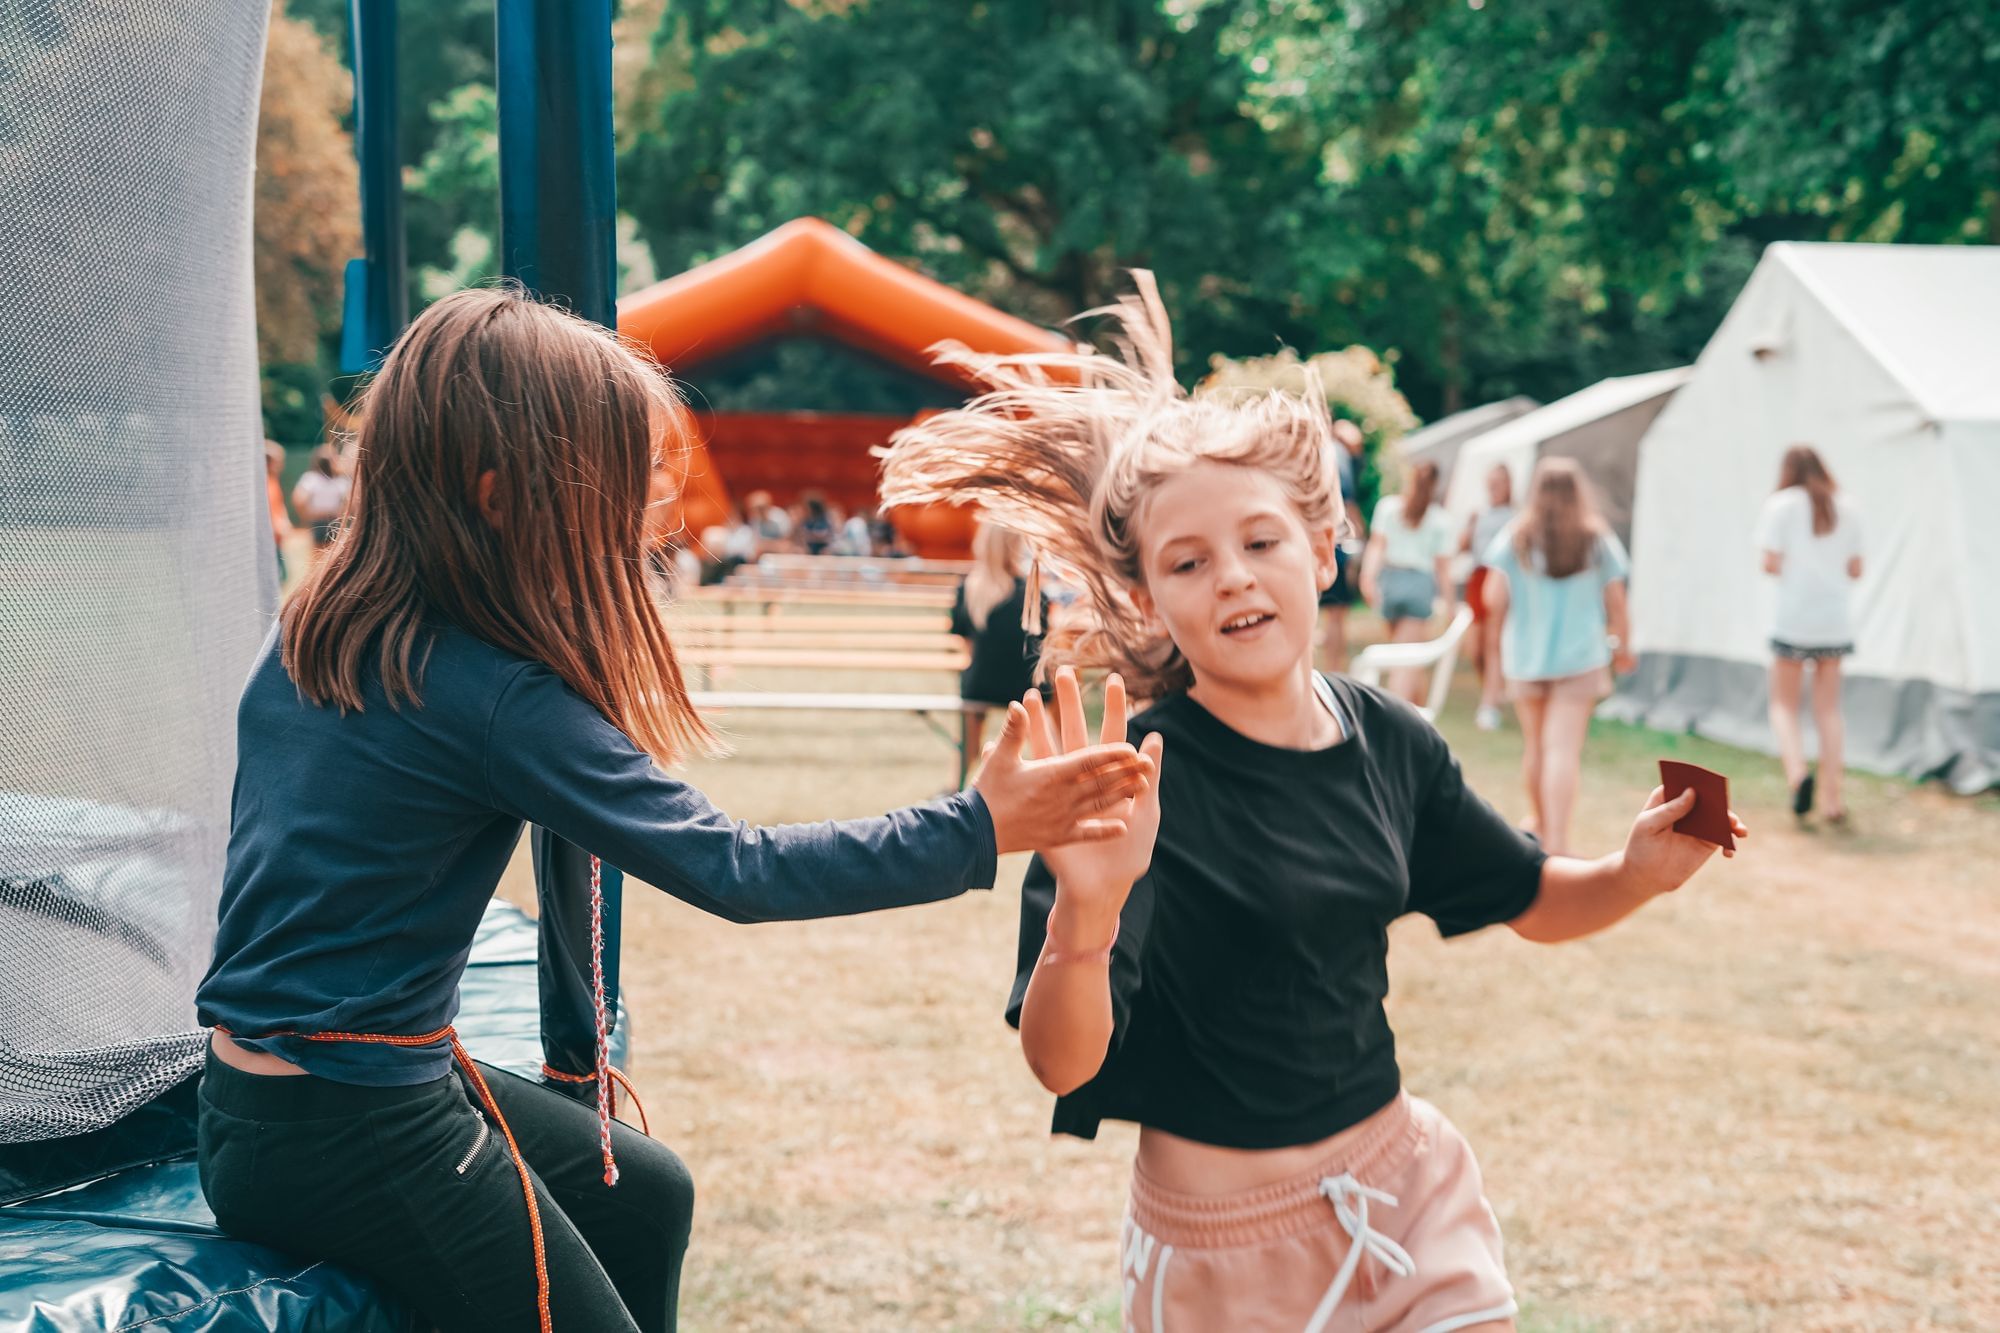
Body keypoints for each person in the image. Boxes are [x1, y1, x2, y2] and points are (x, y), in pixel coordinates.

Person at [193, 287, 1155, 1333]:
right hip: (353, 1124)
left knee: (645, 1193)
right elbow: (736, 870)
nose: (653, 515)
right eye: (620, 485)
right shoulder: (492, 697)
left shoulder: (324, 623)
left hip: (253, 1106)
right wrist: (977, 826)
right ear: (498, 496)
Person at [879, 273, 1744, 1333]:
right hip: (1222, 1261)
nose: (1233, 578)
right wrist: (1085, 912)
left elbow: (1523, 891)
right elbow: (1062, 1060)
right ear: (1149, 598)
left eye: (1260, 542)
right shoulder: (1124, 781)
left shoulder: (1390, 738)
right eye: (1188, 562)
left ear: (1323, 548)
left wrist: (1629, 875)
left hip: (1400, 1192)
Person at [1479, 459, 1632, 856]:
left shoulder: (1517, 537)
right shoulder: (1595, 537)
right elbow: (1617, 601)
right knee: (1562, 750)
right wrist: (1625, 647)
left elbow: (1492, 598)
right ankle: (1559, 843)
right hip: (1580, 660)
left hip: (1528, 659)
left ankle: (1543, 826)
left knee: (1536, 747)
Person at [1756, 445, 1863, 824]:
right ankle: (1833, 799)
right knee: (1829, 710)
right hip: (1834, 620)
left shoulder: (1781, 505)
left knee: (1783, 705)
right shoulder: (1847, 506)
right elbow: (1855, 569)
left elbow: (1770, 563)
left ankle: (1798, 775)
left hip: (1793, 619)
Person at [950, 521, 1045, 776]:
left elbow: (966, 646)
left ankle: (958, 776)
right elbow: (1042, 645)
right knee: (1049, 685)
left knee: (971, 685)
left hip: (980, 686)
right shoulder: (1032, 593)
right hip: (1026, 687)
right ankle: (1049, 757)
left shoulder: (969, 590)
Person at [1359, 458, 1456, 704]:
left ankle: (1419, 715)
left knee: (1408, 656)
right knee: (1405, 659)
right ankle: (1396, 715)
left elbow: (1377, 547)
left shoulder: (1388, 508)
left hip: (1390, 581)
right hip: (1418, 585)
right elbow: (1443, 569)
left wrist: (1367, 577)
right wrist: (1451, 604)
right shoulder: (1440, 520)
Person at [1461, 464, 1517, 730]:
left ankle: (1489, 704)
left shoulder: (1515, 517)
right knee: (1476, 647)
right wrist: (1470, 526)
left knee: (1494, 644)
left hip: (1500, 578)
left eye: (1499, 482)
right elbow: (1462, 546)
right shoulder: (1480, 514)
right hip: (1477, 577)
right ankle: (1494, 690)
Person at [1316, 417, 1368, 671]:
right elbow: (1347, 502)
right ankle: (1335, 669)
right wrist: (1360, 538)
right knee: (1337, 614)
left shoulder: (1314, 451)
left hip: (1314, 537)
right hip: (1335, 541)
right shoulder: (1338, 455)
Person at [290, 443, 352, 565]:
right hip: (333, 520)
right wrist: (341, 513)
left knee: (317, 557)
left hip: (319, 520)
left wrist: (307, 515)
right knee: (333, 557)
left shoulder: (311, 478)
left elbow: (299, 499)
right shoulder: (340, 481)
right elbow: (350, 501)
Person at [262, 440, 293, 585]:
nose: (282, 464)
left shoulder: (272, 480)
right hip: (269, 539)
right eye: (278, 460)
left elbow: (278, 506)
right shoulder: (264, 482)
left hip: (276, 538)